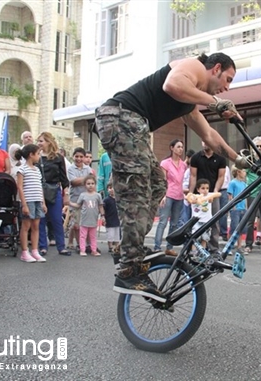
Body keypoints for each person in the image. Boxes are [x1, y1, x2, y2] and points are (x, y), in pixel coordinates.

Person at [94, 52, 246, 301]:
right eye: (227, 79)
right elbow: (172, 84)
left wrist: (237, 158)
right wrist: (215, 101)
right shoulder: (194, 67)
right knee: (137, 189)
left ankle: (128, 248)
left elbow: (208, 135)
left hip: (129, 124)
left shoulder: (188, 102)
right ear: (215, 68)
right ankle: (128, 269)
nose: (227, 87)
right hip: (121, 118)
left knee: (156, 183)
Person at [36, 132, 71, 256]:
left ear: (49, 142)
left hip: (55, 189)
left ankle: (61, 246)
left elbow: (64, 177)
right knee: (41, 219)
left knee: (56, 218)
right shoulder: (36, 157)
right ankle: (42, 246)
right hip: (39, 190)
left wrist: (66, 193)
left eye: (41, 141)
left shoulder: (58, 157)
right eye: (38, 141)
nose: (39, 143)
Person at [189, 140, 227, 252]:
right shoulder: (196, 157)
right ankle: (193, 247)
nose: (205, 143)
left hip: (211, 194)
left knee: (213, 220)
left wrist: (215, 191)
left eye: (207, 141)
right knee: (195, 220)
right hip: (198, 194)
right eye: (203, 141)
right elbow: (193, 176)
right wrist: (191, 194)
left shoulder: (220, 158)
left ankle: (214, 248)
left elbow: (221, 177)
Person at [153, 139, 187, 255]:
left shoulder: (183, 165)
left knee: (174, 223)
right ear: (171, 148)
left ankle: (169, 247)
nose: (180, 149)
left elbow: (182, 181)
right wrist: (162, 195)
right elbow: (162, 180)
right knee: (163, 221)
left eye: (182, 147)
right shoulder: (165, 163)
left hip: (179, 195)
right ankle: (157, 246)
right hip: (168, 195)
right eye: (178, 147)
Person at [16, 144, 47, 263]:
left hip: (37, 200)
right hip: (28, 201)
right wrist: (24, 204)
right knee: (26, 226)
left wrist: (43, 202)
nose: (39, 156)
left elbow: (40, 187)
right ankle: (25, 251)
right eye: (38, 153)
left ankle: (35, 250)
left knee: (36, 226)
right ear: (31, 155)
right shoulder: (22, 169)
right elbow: (20, 187)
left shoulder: (37, 170)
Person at [244, 136, 261, 254]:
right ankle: (248, 245)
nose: (259, 148)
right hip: (252, 193)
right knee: (250, 221)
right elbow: (245, 173)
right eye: (257, 146)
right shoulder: (248, 159)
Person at [70, 174, 104, 257]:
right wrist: (69, 203)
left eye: (92, 183)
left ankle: (94, 250)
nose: (90, 185)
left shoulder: (98, 195)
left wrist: (103, 216)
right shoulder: (83, 195)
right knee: (82, 236)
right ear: (85, 185)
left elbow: (100, 206)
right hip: (84, 220)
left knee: (93, 236)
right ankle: (82, 250)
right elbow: (78, 205)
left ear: (95, 184)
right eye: (88, 184)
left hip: (94, 220)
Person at [67, 147, 93, 250]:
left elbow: (91, 182)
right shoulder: (70, 169)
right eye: (76, 156)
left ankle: (88, 244)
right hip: (75, 198)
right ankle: (78, 244)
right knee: (76, 223)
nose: (79, 159)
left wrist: (84, 181)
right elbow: (73, 182)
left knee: (86, 222)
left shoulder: (88, 168)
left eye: (81, 157)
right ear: (73, 157)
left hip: (87, 198)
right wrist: (87, 179)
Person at [187, 179, 221, 249]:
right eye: (203, 188)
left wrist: (210, 197)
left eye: (207, 188)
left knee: (205, 239)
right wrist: (194, 200)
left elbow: (219, 194)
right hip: (196, 221)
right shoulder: (195, 196)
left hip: (206, 222)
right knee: (194, 238)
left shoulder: (209, 196)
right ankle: (194, 252)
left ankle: (203, 254)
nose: (205, 190)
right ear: (198, 189)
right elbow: (189, 198)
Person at [227, 166, 247, 249]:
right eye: (243, 171)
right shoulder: (232, 183)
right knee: (233, 228)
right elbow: (230, 195)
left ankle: (239, 246)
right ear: (238, 172)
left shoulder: (244, 184)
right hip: (235, 208)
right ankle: (229, 246)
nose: (245, 173)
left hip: (243, 208)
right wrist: (233, 206)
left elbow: (245, 196)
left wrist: (246, 206)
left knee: (241, 228)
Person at [177, 149, 196, 229]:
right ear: (188, 157)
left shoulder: (191, 168)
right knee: (183, 218)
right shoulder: (183, 167)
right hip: (182, 195)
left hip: (190, 195)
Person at [103, 183, 121, 262]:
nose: (112, 189)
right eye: (110, 188)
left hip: (117, 220)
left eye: (113, 187)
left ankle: (117, 247)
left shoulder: (119, 199)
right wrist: (103, 217)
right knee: (110, 235)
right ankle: (110, 247)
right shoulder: (106, 200)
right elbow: (103, 209)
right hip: (109, 219)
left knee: (117, 235)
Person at [218, 165, 231, 242]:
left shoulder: (226, 168)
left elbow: (228, 180)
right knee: (215, 211)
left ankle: (224, 232)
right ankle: (216, 230)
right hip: (216, 190)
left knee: (224, 212)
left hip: (224, 190)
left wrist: (229, 193)